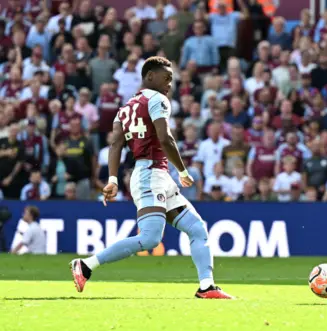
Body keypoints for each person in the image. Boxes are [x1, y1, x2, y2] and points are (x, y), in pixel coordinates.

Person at [69, 56, 233, 300]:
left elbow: (115, 145)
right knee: (150, 238)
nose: (169, 84)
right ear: (149, 76)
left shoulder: (124, 109)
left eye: (172, 79)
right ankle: (86, 265)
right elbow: (165, 138)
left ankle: (207, 286)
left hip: (157, 175)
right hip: (149, 174)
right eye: (165, 78)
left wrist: (113, 179)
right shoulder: (158, 100)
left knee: (197, 229)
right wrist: (184, 172)